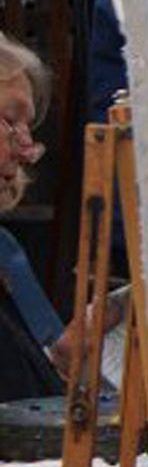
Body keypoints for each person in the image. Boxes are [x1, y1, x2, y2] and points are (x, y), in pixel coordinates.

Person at [0, 33, 64, 401]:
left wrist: (63, 357)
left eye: (30, 128)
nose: (26, 149)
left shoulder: (6, 250)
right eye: (11, 120)